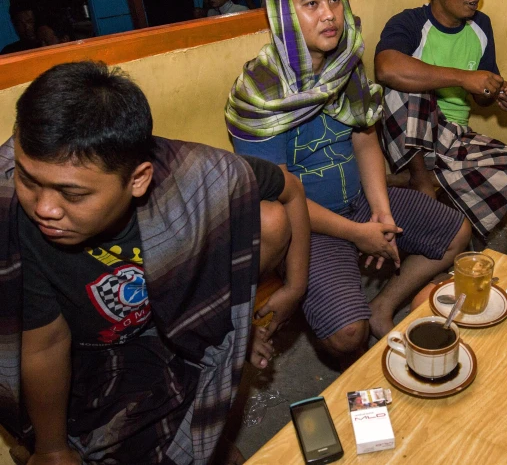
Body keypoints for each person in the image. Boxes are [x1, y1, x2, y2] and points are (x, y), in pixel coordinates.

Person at [0, 61, 309, 463]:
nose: (43, 208)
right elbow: (46, 344)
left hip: (173, 321)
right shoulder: (13, 214)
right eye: (26, 179)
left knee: (268, 220)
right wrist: (52, 447)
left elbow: (292, 192)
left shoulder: (194, 177)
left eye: (71, 195)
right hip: (86, 350)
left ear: (139, 179)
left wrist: (293, 288)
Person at [226, 0, 471, 362]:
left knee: (456, 234)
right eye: (311, 3)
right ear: (283, 14)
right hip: (307, 227)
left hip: (359, 201)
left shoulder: (345, 68)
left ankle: (382, 305)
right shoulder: (260, 92)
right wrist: (359, 235)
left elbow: (364, 138)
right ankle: (350, 314)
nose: (329, 14)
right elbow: (281, 200)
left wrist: (382, 214)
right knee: (347, 336)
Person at [375, 0, 507, 239]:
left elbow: (480, 97)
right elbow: (386, 69)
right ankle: (419, 177)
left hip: (454, 137)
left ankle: (425, 179)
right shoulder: (410, 22)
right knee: (412, 76)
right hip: (411, 137)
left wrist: (495, 90)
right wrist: (463, 77)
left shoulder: (481, 26)